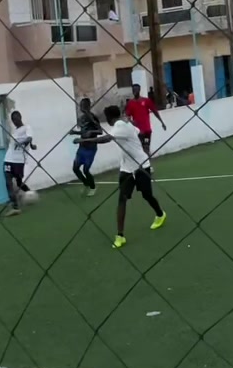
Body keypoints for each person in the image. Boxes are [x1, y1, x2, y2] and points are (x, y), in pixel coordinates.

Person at [103, 103, 167, 249]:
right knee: (122, 199)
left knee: (146, 195)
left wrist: (84, 140)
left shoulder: (120, 125)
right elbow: (139, 131)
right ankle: (120, 235)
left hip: (141, 166)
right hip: (126, 168)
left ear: (109, 118)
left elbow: (106, 139)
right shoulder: (125, 124)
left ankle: (160, 214)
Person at [3, 108, 37, 213]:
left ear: (20, 117)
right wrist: (31, 145)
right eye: (13, 120)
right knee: (8, 182)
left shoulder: (27, 128)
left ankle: (30, 193)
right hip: (8, 159)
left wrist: (24, 143)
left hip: (19, 161)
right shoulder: (14, 132)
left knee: (18, 182)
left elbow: (29, 138)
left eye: (16, 119)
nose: (15, 121)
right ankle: (15, 206)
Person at [70, 96, 103, 192]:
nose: (82, 108)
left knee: (86, 170)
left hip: (90, 148)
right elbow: (83, 132)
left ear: (88, 106)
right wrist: (75, 132)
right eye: (81, 106)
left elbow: (100, 131)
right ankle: (86, 184)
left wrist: (91, 132)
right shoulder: (81, 118)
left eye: (84, 106)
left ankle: (93, 187)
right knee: (75, 168)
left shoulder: (93, 118)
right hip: (82, 147)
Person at [124, 82, 166, 156]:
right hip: (138, 131)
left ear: (139, 90)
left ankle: (148, 160)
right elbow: (127, 117)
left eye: (136, 90)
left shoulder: (146, 101)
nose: (134, 92)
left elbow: (155, 111)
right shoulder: (130, 103)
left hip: (147, 130)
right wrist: (132, 122)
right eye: (133, 90)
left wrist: (162, 122)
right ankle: (144, 161)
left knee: (146, 147)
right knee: (140, 149)